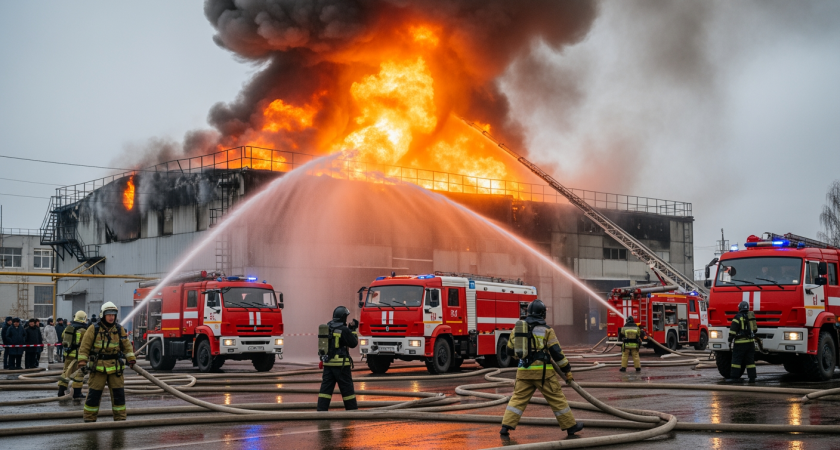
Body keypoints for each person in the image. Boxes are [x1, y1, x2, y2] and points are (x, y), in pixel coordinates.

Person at [501, 300, 583, 437]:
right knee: (556, 398)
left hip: (523, 371)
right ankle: (570, 427)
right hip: (543, 373)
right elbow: (557, 353)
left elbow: (509, 350)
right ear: (542, 314)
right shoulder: (547, 330)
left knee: (517, 399)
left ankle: (505, 427)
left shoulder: (517, 328)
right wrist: (567, 370)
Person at [77, 302, 136, 422]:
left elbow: (127, 346)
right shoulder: (94, 329)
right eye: (109, 314)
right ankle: (89, 419)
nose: (111, 317)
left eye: (113, 315)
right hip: (98, 367)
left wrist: (131, 358)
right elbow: (84, 347)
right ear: (103, 315)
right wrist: (82, 362)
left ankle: (120, 419)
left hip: (115, 368)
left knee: (119, 395)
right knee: (94, 395)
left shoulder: (119, 329)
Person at [316, 306, 359, 412]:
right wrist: (353, 330)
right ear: (343, 317)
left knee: (325, 390)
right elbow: (353, 343)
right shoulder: (344, 329)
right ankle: (352, 411)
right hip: (341, 365)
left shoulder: (327, 326)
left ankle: (321, 411)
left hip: (328, 364)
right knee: (347, 391)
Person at [57, 311, 90, 398]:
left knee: (66, 372)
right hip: (78, 356)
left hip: (68, 354)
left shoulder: (69, 327)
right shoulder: (83, 329)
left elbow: (62, 336)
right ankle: (77, 393)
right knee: (79, 374)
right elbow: (86, 342)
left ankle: (61, 391)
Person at [727, 300, 756, 383]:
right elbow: (755, 329)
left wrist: (730, 339)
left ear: (739, 308)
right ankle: (752, 378)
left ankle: (734, 377)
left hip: (740, 343)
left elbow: (733, 331)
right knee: (750, 361)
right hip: (750, 343)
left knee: (736, 360)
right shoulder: (751, 317)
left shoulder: (737, 317)